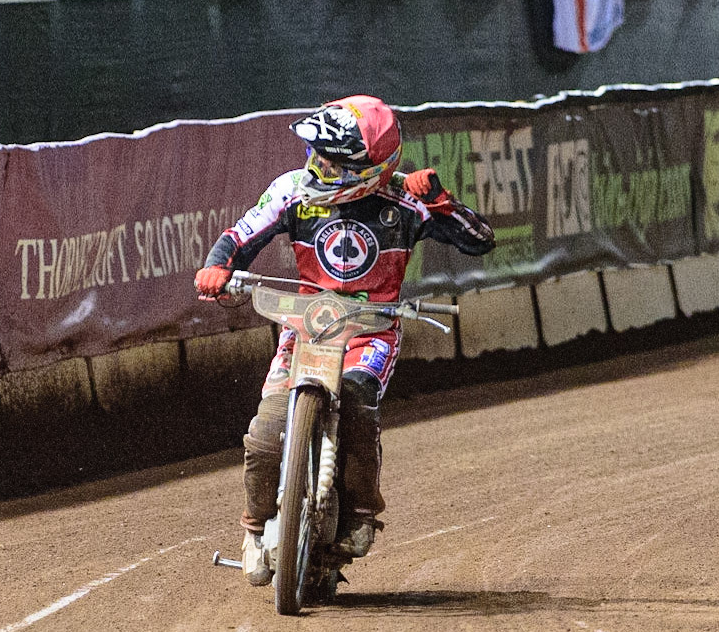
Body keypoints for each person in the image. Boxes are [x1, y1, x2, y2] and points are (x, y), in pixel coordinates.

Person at [193, 97, 495, 585]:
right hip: (307, 325)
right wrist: (218, 266)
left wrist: (440, 200)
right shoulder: (293, 190)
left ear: (372, 167)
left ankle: (359, 513)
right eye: (320, 153)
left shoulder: (405, 199)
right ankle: (252, 531)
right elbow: (240, 234)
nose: (321, 164)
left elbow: (479, 239)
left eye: (335, 160)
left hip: (371, 330)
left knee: (356, 397)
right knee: (268, 426)